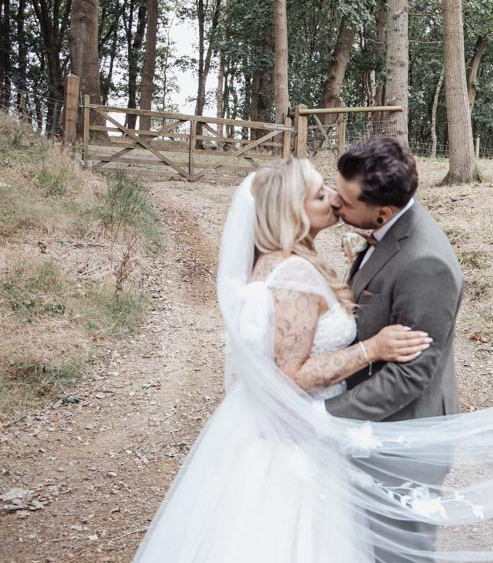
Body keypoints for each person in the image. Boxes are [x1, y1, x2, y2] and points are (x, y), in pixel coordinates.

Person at [134, 157, 493, 563]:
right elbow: (290, 374)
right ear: (292, 211)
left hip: (325, 430)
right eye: (320, 193)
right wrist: (371, 349)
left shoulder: (290, 262)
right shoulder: (293, 273)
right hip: (301, 435)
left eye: (333, 191)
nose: (334, 200)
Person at [325, 138, 464, 562]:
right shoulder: (390, 229)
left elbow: (411, 374)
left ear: (382, 212)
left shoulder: (426, 263)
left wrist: (327, 418)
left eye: (346, 201)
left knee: (402, 553)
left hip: (406, 439)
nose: (335, 203)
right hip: (376, 429)